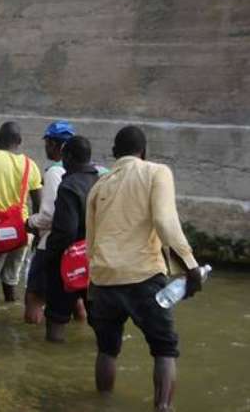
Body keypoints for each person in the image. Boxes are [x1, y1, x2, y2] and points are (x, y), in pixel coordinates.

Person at [86, 126, 202, 411]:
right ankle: (163, 407)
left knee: (107, 351)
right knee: (164, 350)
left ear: (115, 154)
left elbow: (91, 242)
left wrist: (95, 278)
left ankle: (103, 404)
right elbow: (164, 221)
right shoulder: (156, 172)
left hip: (103, 281)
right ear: (144, 151)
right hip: (144, 275)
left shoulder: (99, 186)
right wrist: (190, 266)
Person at [0, 121, 43, 307]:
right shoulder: (31, 165)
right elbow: (38, 203)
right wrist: (36, 233)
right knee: (11, 281)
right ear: (20, 141)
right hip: (22, 231)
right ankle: (9, 314)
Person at [42, 135, 99, 342]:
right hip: (97, 261)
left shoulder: (69, 186)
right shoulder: (102, 182)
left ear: (69, 156)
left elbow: (65, 231)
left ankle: (51, 362)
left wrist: (50, 256)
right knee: (100, 322)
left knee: (56, 320)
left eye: (64, 156)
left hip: (69, 262)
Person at [24, 120, 75, 324]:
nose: (45, 147)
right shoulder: (84, 171)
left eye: (47, 143)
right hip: (76, 247)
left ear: (55, 145)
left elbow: (48, 216)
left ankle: (31, 344)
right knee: (76, 299)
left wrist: (29, 222)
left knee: (34, 297)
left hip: (51, 246)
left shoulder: (55, 172)